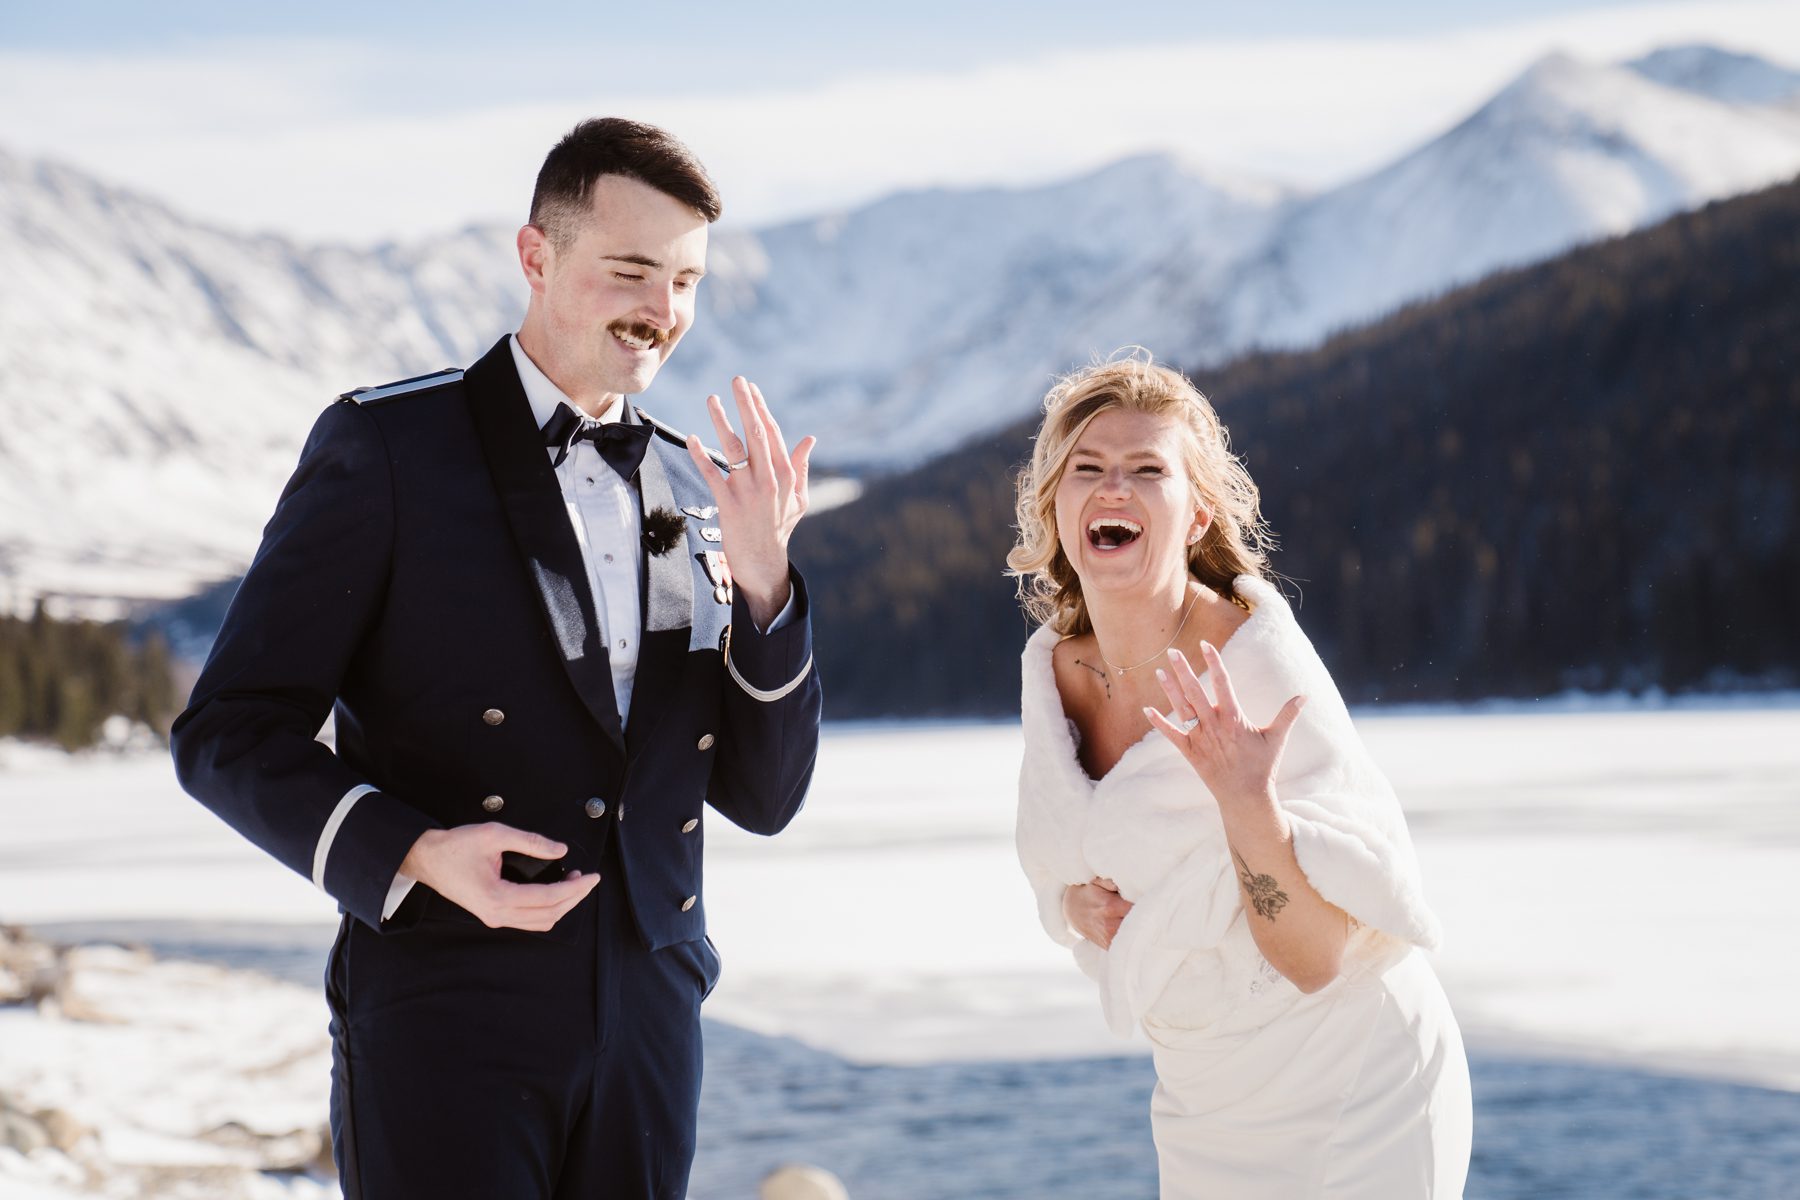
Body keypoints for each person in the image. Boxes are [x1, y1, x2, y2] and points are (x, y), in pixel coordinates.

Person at [171, 117, 823, 1199]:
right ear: (536, 256)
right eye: (630, 271)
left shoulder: (696, 488)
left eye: (686, 280)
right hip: (445, 1014)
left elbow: (765, 794)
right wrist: (417, 850)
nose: (662, 312)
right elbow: (226, 733)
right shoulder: (388, 450)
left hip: (652, 1017)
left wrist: (767, 590)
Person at [1009, 353, 1471, 1198]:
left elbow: (1316, 957)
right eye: (1089, 469)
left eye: (1149, 470)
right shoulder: (1054, 675)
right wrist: (1076, 903)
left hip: (1356, 1077)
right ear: (1058, 506)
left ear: (1195, 516)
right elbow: (1062, 860)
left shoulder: (1254, 665)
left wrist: (1247, 801)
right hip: (1206, 1093)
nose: (1114, 487)